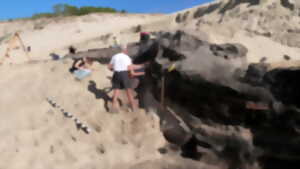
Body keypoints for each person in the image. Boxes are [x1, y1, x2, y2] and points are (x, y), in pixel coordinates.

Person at [108, 44, 145, 113]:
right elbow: (130, 68)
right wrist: (141, 66)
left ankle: (113, 107)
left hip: (116, 74)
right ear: (124, 50)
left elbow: (109, 67)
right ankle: (134, 108)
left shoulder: (114, 56)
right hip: (124, 74)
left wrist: (115, 68)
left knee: (116, 91)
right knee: (128, 91)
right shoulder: (126, 57)